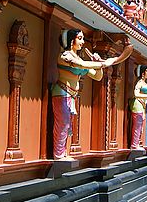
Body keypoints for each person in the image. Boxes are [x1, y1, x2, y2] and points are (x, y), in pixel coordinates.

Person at [52, 29, 132, 159]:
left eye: (83, 38)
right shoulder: (64, 56)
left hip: (71, 96)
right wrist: (99, 63)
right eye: (80, 38)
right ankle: (59, 155)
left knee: (68, 125)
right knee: (63, 124)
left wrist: (98, 64)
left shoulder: (78, 57)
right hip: (62, 93)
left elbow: (97, 77)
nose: (83, 42)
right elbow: (82, 65)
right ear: (71, 40)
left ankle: (62, 153)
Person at [130, 65, 147, 149]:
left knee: (141, 125)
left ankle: (137, 143)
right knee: (137, 125)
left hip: (143, 105)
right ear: (142, 73)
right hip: (137, 104)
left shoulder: (145, 83)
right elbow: (136, 94)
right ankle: (134, 145)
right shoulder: (139, 83)